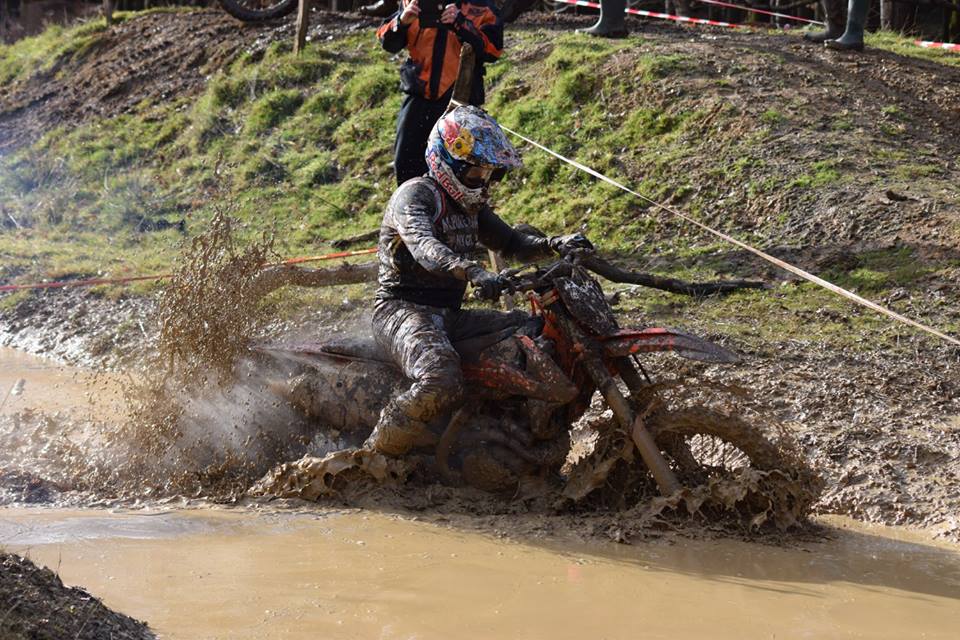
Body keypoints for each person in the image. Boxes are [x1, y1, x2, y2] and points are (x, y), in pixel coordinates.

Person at [365, 106, 591, 456]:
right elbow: (425, 247)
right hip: (401, 310)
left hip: (451, 316)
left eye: (489, 173)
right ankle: (373, 452)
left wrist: (554, 244)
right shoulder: (416, 195)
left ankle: (511, 435)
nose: (483, 182)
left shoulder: (471, 208)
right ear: (448, 162)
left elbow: (513, 243)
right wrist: (473, 271)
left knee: (535, 331)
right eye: (475, 172)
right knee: (440, 377)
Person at [376, 0, 504, 185]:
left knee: (458, 173)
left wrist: (460, 23)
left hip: (461, 103)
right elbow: (387, 41)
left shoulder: (482, 7)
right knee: (406, 168)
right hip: (418, 97)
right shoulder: (412, 2)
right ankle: (411, 210)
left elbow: (493, 51)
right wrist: (402, 21)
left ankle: (456, 213)